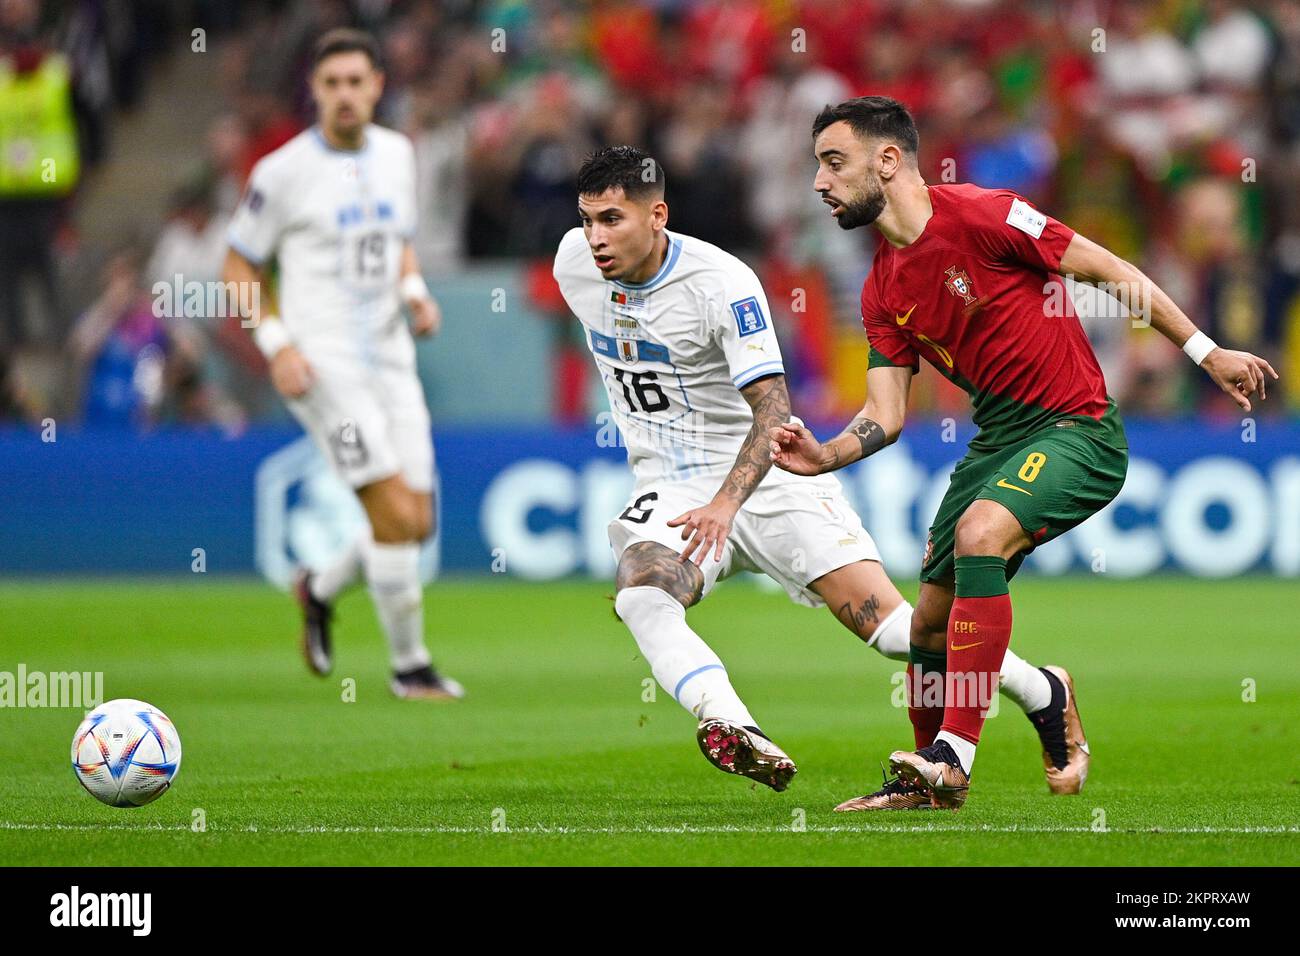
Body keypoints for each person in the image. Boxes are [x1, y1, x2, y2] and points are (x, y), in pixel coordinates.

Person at [770, 96, 1278, 809]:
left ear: (888, 160)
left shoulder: (984, 213)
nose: (819, 183)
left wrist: (1206, 350)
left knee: (981, 532)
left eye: (833, 162)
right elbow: (884, 414)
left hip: (1078, 429)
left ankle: (954, 757)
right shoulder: (882, 288)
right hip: (998, 441)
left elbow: (1109, 270)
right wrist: (825, 456)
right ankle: (950, 758)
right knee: (927, 623)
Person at [555, 146, 1075, 806]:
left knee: (902, 637)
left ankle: (1042, 690)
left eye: (612, 219)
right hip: (674, 488)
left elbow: (773, 412)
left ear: (657, 215)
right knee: (641, 596)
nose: (596, 238)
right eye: (587, 220)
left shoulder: (723, 284)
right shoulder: (573, 264)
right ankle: (733, 724)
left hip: (768, 476)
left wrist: (726, 503)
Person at [223, 28, 462, 701]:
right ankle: (410, 667)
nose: (345, 95)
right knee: (391, 517)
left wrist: (415, 295)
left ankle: (318, 587)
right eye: (332, 84)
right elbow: (237, 264)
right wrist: (278, 345)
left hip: (391, 356)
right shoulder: (284, 171)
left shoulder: (396, 154)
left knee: (418, 521)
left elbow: (400, 246)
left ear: (378, 86)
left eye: (357, 82)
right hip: (323, 365)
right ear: (315, 92)